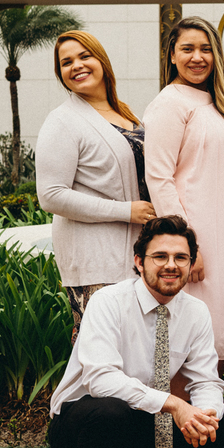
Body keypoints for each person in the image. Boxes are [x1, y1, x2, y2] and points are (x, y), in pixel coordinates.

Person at [48, 215, 224, 448]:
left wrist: (205, 418)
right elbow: (101, 380)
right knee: (111, 413)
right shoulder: (108, 301)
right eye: (160, 256)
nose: (171, 265)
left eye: (181, 258)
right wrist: (173, 404)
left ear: (191, 263)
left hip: (145, 417)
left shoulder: (196, 312)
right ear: (139, 262)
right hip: (83, 417)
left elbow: (205, 381)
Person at [144, 17, 224, 369]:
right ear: (172, 55)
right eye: (187, 49)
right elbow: (159, 177)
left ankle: (207, 405)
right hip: (197, 236)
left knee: (218, 338)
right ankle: (175, 408)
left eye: (206, 49)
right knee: (186, 342)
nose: (197, 57)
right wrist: (185, 246)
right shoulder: (169, 103)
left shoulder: (220, 103)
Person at [37, 31, 156, 342]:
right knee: (102, 352)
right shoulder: (62, 120)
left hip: (140, 254)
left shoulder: (126, 113)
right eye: (66, 62)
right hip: (97, 262)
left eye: (84, 56)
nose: (76, 65)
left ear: (101, 60)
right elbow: (51, 195)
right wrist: (125, 211)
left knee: (147, 347)